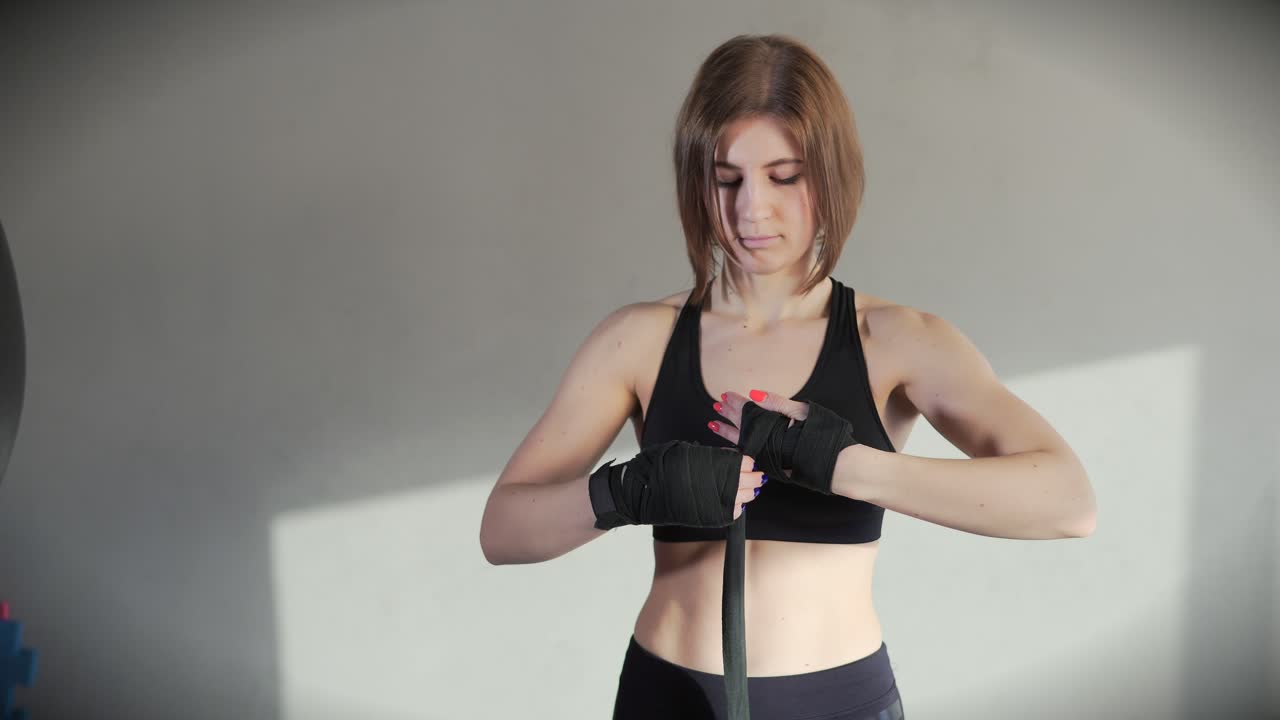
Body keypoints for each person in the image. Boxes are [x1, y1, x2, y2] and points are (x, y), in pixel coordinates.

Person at [479, 33, 1096, 720]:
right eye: (727, 179)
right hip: (666, 697)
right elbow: (502, 531)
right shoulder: (638, 340)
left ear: (831, 175)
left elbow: (1067, 502)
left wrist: (848, 466)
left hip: (838, 702)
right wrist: (627, 491)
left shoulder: (896, 340)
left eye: (784, 176)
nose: (752, 210)